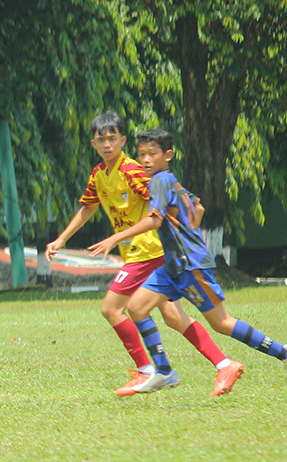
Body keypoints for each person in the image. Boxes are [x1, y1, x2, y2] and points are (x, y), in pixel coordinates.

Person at [89, 127, 287, 396]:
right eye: (142, 154)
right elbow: (198, 208)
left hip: (190, 266)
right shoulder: (171, 181)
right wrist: (188, 228)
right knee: (136, 307)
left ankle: (282, 354)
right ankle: (164, 371)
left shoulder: (159, 181)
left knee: (222, 323)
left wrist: (117, 237)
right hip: (171, 267)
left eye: (152, 154)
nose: (146, 160)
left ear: (167, 155)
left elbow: (155, 220)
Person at [45, 110, 225, 393]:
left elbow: (162, 198)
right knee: (174, 317)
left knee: (111, 308)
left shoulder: (131, 171)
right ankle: (223, 364)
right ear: (93, 144)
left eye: (112, 138)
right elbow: (88, 207)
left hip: (149, 251)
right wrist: (61, 239)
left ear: (122, 140)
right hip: (140, 253)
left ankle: (147, 369)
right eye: (101, 140)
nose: (107, 144)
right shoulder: (99, 174)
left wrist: (190, 210)